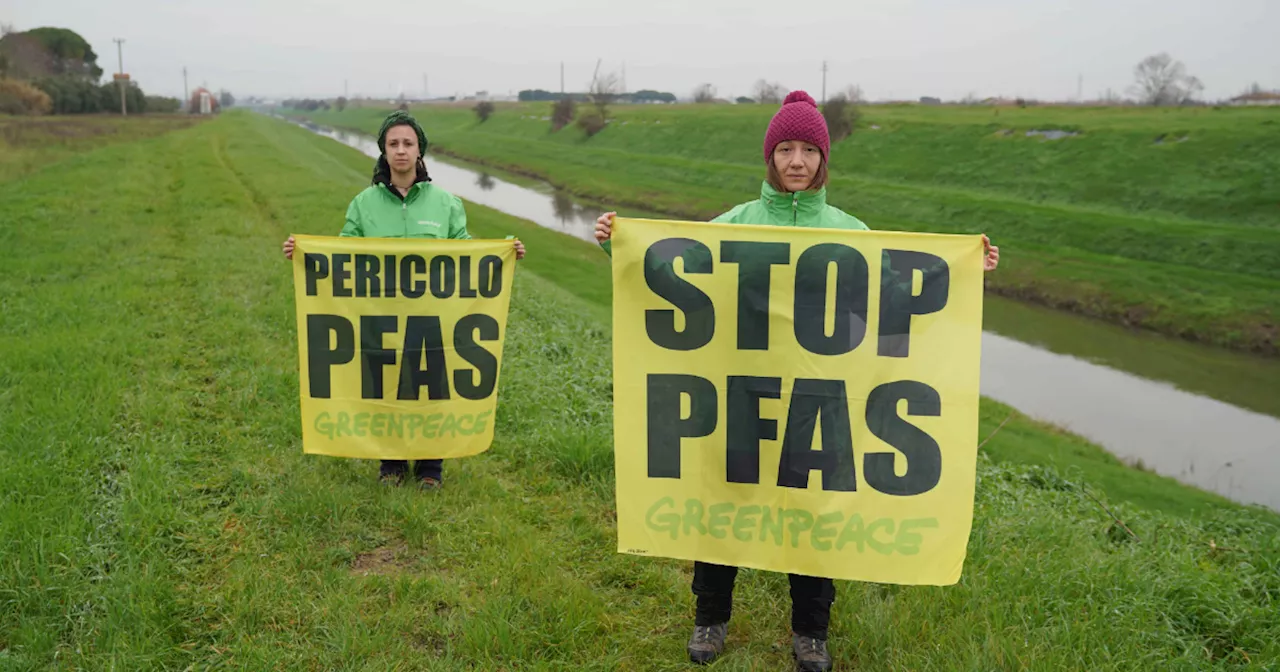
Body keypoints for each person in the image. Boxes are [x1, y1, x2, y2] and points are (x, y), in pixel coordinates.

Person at [593, 91, 999, 671]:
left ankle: (811, 632)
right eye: (785, 148)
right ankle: (710, 620)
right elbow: (683, 271)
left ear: (823, 159)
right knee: (723, 505)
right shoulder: (737, 222)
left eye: (809, 149)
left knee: (812, 515)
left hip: (817, 399)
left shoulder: (849, 229)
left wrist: (963, 272)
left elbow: (895, 294)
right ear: (770, 156)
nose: (797, 160)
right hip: (740, 395)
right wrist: (620, 245)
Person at [283, 109, 526, 490]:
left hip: (432, 317)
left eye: (407, 144)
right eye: (393, 144)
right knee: (387, 385)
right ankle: (391, 465)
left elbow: (464, 252)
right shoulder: (364, 203)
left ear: (420, 151)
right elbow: (344, 252)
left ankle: (431, 468)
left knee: (430, 386)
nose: (400, 151)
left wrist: (502, 256)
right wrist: (306, 254)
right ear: (383, 150)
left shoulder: (446, 203)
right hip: (379, 316)